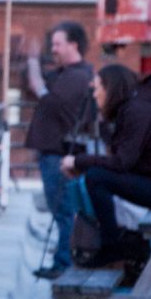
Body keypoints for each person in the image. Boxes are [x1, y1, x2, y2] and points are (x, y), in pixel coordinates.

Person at [61, 64, 151, 267]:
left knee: (96, 177)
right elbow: (126, 161)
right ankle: (128, 242)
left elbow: (122, 162)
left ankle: (113, 245)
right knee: (98, 176)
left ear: (111, 88)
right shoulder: (134, 108)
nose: (94, 94)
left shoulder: (136, 111)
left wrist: (77, 161)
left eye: (98, 88)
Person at [25, 21, 94, 279]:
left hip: (59, 153)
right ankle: (64, 261)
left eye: (57, 44)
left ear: (73, 45)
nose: (53, 49)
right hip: (58, 151)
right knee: (64, 210)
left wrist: (33, 62)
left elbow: (45, 96)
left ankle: (64, 264)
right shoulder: (68, 74)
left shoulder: (76, 77)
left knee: (64, 210)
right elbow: (35, 89)